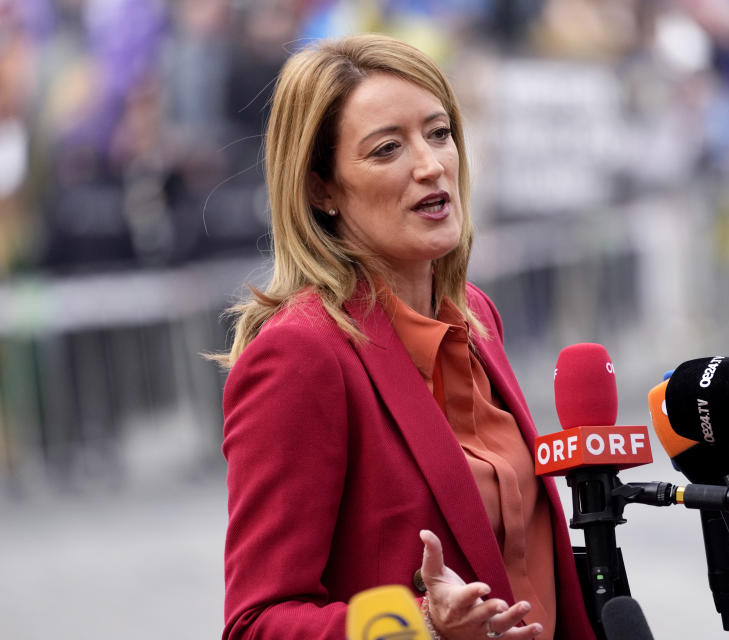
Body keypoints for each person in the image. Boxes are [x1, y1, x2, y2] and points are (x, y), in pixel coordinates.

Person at [217, 34, 596, 640]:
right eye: (388, 148)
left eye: (439, 132)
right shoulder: (301, 355)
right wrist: (418, 626)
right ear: (322, 188)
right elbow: (257, 624)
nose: (430, 164)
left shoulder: (475, 316)